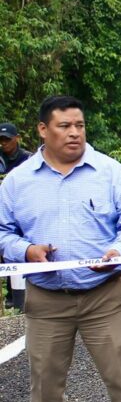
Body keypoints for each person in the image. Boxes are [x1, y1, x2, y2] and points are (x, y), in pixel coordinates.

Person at [0, 95, 121, 402]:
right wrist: (25, 250)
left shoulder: (111, 172)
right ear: (42, 130)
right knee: (45, 385)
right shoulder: (17, 182)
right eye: (64, 126)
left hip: (104, 295)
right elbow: (4, 231)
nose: (74, 133)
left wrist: (120, 250)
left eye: (79, 126)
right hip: (46, 300)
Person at [1, 122, 33, 311]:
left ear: (16, 139)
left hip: (22, 210)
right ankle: (9, 298)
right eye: (1, 140)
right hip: (3, 211)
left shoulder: (28, 160)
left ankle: (20, 297)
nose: (4, 144)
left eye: (7, 139)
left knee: (21, 253)